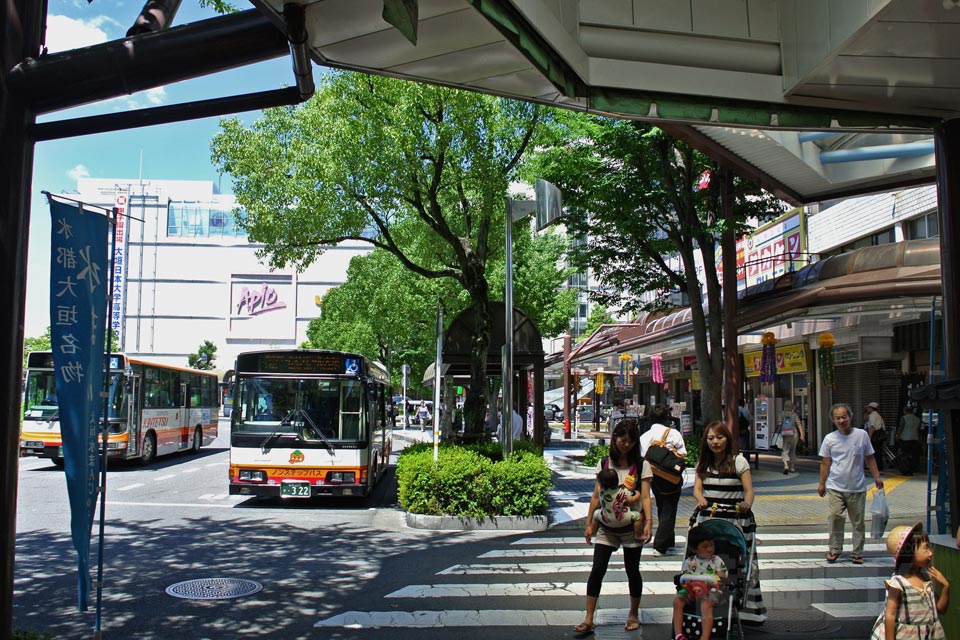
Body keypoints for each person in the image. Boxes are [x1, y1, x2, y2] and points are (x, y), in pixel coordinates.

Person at [576, 419, 652, 634]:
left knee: (632, 571)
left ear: (635, 442)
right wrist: (589, 524)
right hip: (607, 529)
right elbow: (596, 497)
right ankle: (589, 618)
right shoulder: (605, 463)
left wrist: (649, 523)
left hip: (631, 529)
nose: (625, 444)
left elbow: (645, 497)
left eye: (629, 441)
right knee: (597, 570)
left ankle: (633, 614)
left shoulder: (641, 465)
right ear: (615, 439)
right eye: (621, 440)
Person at [693, 420, 767, 624]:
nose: (715, 442)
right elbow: (697, 489)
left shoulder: (738, 462)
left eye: (719, 437)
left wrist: (747, 503)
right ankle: (707, 606)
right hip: (709, 519)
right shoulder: (703, 463)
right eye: (710, 438)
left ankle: (746, 610)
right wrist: (700, 499)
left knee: (740, 565)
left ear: (728, 439)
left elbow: (749, 490)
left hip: (735, 521)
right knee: (707, 563)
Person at [818, 402, 884, 564]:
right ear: (833, 420)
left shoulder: (861, 435)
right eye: (838, 418)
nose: (842, 420)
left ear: (850, 416)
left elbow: (870, 457)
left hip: (857, 487)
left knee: (858, 521)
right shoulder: (830, 439)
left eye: (844, 417)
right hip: (835, 487)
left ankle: (857, 552)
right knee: (835, 518)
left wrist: (877, 477)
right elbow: (825, 463)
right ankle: (834, 549)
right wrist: (822, 483)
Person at [869, 522, 949, 639]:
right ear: (910, 552)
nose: (931, 553)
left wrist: (946, 587)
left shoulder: (926, 578)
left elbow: (940, 609)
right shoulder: (898, 583)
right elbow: (890, 616)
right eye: (926, 548)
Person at [639, 404, 687, 556]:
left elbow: (641, 457)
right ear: (667, 418)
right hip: (671, 477)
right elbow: (683, 453)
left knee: (662, 504)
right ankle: (660, 545)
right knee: (669, 508)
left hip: (653, 476)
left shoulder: (645, 436)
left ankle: (668, 539)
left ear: (650, 419)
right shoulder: (674, 433)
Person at [672, 525, 727, 640]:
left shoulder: (716, 561)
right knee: (678, 600)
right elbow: (685, 578)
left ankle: (704, 637)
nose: (710, 549)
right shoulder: (690, 562)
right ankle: (678, 634)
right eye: (705, 547)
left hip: (711, 590)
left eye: (712, 545)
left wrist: (714, 580)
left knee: (706, 604)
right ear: (694, 549)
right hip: (692, 590)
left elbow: (721, 578)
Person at [593, 467, 645, 541]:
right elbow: (632, 500)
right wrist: (638, 493)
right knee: (638, 516)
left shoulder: (601, 491)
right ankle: (638, 534)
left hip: (605, 519)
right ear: (617, 481)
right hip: (622, 519)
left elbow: (599, 488)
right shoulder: (623, 492)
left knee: (595, 514)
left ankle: (593, 530)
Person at [778, 401, 805, 475]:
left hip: (785, 433)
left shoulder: (781, 414)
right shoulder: (794, 414)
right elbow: (799, 424)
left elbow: (779, 424)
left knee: (785, 450)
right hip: (794, 433)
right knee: (793, 451)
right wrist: (802, 434)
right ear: (792, 407)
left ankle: (786, 465)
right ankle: (792, 467)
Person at [896, 406, 922, 476]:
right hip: (915, 438)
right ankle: (914, 468)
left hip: (905, 439)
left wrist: (897, 436)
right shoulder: (917, 419)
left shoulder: (904, 418)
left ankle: (905, 469)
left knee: (902, 455)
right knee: (914, 455)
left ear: (905, 411)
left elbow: (900, 428)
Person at [866, 401, 887, 471]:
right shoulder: (879, 416)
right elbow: (883, 427)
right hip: (880, 437)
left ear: (871, 408)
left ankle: (874, 468)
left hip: (874, 436)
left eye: (868, 408)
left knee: (873, 453)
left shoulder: (872, 415)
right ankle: (880, 467)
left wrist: (869, 437)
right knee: (879, 453)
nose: (867, 409)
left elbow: (872, 427)